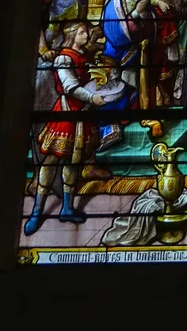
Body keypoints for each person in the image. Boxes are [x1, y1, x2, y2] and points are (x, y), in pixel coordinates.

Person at [24, 21, 107, 235]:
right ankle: (37, 211)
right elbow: (69, 86)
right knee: (51, 160)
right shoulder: (64, 58)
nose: (86, 35)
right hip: (66, 113)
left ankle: (67, 208)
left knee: (74, 161)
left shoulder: (83, 57)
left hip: (82, 114)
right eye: (82, 33)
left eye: (86, 32)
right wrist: (92, 97)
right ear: (72, 35)